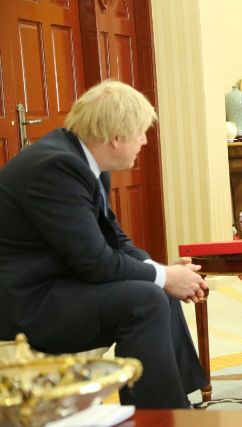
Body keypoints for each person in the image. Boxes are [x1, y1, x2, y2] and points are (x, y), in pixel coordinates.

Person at [0, 80, 209, 408]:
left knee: (155, 288)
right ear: (116, 137)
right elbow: (95, 263)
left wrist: (163, 272)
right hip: (27, 306)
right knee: (146, 298)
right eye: (140, 132)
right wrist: (165, 277)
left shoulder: (85, 161)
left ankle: (178, 405)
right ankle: (155, 417)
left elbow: (116, 241)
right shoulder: (56, 168)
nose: (143, 140)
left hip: (57, 286)